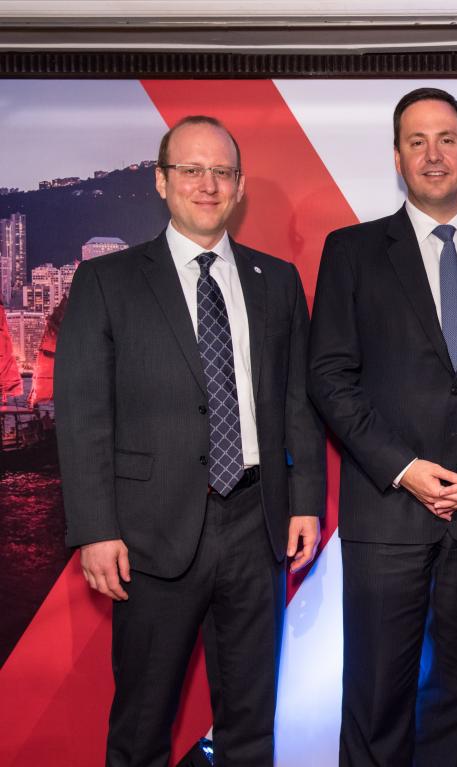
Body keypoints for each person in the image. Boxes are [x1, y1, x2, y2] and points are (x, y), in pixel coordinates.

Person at [55, 115, 326, 767]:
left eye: (223, 172)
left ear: (238, 188)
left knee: (251, 720)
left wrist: (306, 501)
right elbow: (83, 410)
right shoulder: (107, 281)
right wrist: (95, 527)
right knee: (143, 721)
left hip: (256, 525)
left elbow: (298, 402)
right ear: (161, 180)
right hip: (149, 534)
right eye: (191, 170)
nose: (208, 184)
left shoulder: (277, 281)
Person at [307, 87, 457, 767]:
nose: (433, 153)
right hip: (388, 512)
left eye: (446, 138)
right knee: (377, 698)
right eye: (416, 141)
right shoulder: (353, 252)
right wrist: (405, 468)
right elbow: (329, 376)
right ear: (396, 157)